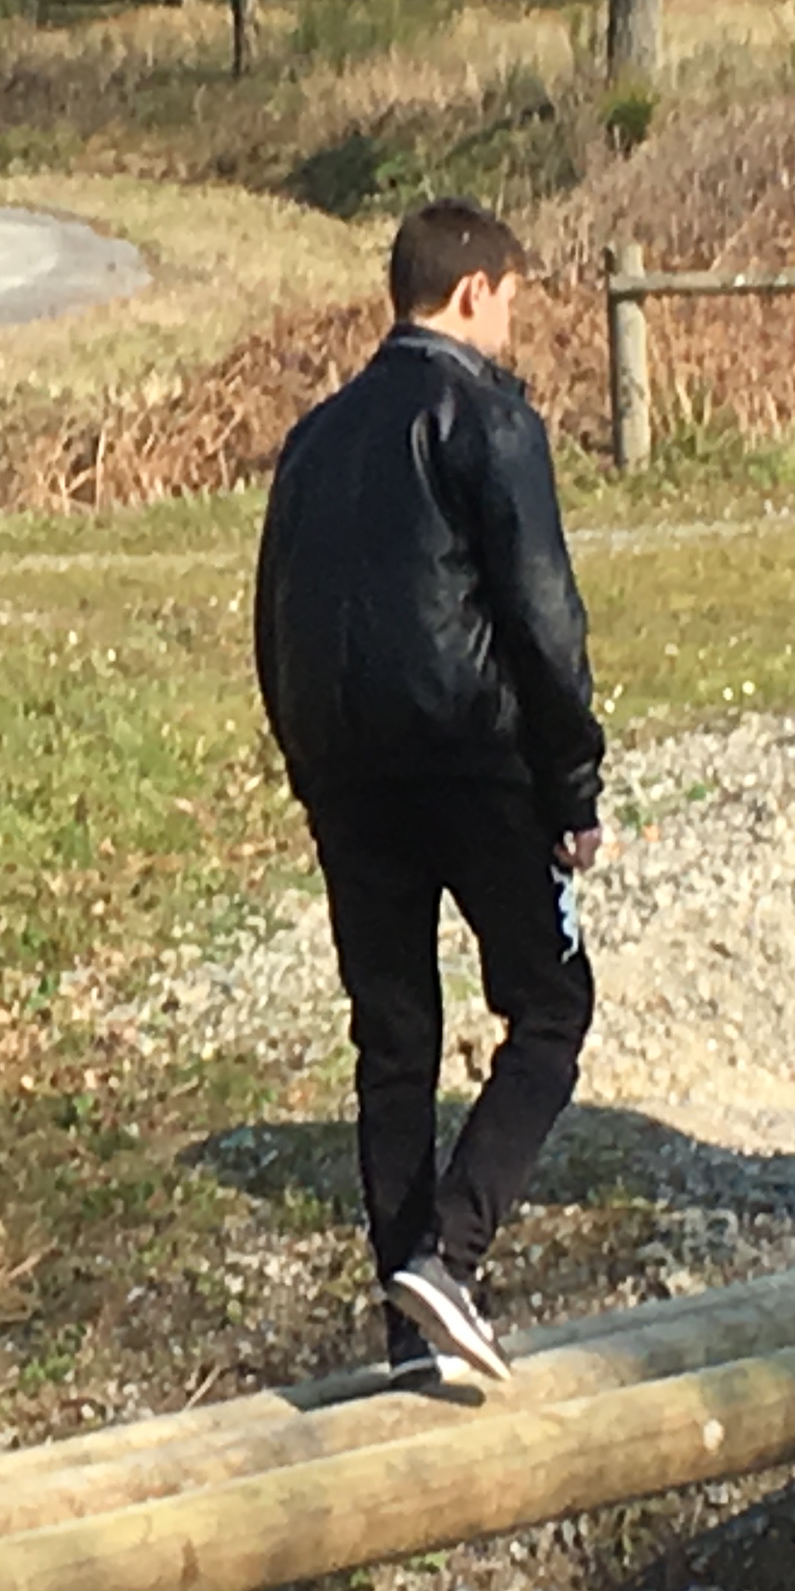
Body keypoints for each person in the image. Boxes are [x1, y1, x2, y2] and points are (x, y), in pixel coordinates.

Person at [254, 198, 605, 1385]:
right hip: (469, 754)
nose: (512, 323)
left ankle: (410, 1332)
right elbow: (544, 617)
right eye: (511, 300)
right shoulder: (488, 414)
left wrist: (312, 771)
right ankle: (450, 1258)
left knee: (393, 1045)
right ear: (472, 295)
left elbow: (272, 618)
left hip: (347, 774)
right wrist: (573, 781)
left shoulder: (313, 437)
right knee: (551, 1010)